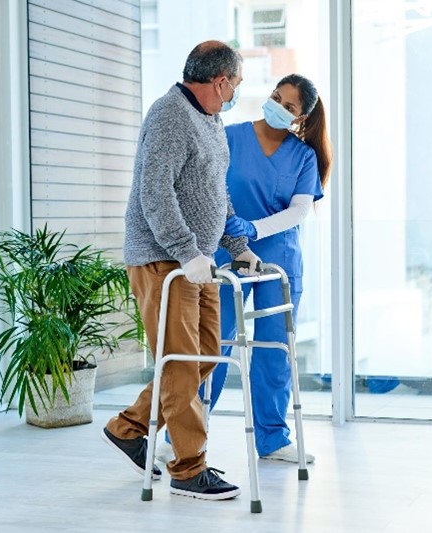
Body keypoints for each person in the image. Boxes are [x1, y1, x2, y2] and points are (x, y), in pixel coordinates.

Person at [100, 40, 260, 501]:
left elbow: (217, 194)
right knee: (183, 360)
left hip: (199, 260)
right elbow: (155, 193)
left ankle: (129, 427)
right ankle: (189, 468)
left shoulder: (211, 121)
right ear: (220, 80)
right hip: (165, 259)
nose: (236, 93)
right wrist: (187, 251)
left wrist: (237, 246)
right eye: (237, 84)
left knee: (205, 354)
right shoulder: (170, 114)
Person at [156, 74, 332, 466]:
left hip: (278, 258)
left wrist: (253, 229)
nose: (278, 107)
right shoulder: (229, 137)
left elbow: (300, 210)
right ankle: (178, 437)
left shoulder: (303, 156)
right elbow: (203, 188)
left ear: (300, 118)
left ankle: (272, 439)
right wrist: (230, 232)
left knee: (275, 347)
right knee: (212, 346)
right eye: (276, 97)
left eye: (289, 106)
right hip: (222, 253)